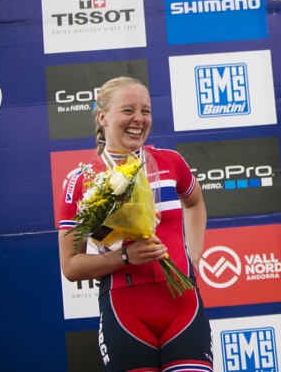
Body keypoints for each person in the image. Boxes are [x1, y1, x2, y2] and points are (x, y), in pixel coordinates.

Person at [57, 77, 212, 372]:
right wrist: (125, 256)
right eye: (128, 110)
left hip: (183, 306)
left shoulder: (171, 162)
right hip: (125, 313)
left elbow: (194, 203)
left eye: (145, 111)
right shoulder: (81, 180)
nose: (139, 119)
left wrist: (193, 255)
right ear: (102, 117)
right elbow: (71, 266)